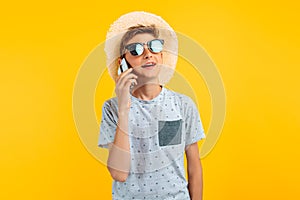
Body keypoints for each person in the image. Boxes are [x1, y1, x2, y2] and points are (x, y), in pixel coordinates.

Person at [98, 11, 206, 200]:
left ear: (162, 56)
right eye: (136, 50)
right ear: (122, 63)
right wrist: (124, 108)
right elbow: (119, 174)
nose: (148, 55)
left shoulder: (183, 105)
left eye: (154, 47)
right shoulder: (112, 109)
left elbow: (194, 167)